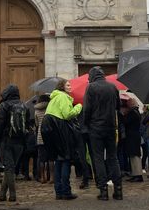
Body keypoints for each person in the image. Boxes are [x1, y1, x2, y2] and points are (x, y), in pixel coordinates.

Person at [82, 66, 123, 201]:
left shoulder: (91, 88)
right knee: (113, 157)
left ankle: (103, 190)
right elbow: (118, 106)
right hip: (111, 127)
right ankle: (118, 190)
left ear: (92, 76)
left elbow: (87, 109)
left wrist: (85, 124)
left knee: (98, 158)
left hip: (96, 128)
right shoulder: (113, 87)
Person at [42, 79, 82, 200]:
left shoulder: (54, 97)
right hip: (59, 127)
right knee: (65, 158)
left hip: (49, 126)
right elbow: (67, 114)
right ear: (62, 87)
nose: (70, 87)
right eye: (68, 85)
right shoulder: (63, 97)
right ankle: (66, 191)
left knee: (58, 159)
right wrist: (79, 107)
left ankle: (58, 191)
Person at [0, 84, 30, 202]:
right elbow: (28, 125)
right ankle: (2, 194)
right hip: (20, 142)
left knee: (9, 168)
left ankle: (12, 195)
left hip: (6, 141)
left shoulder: (4, 106)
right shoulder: (24, 106)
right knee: (11, 168)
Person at [120, 96, 143, 182]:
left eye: (128, 102)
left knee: (135, 156)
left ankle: (138, 175)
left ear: (132, 103)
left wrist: (123, 114)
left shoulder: (133, 113)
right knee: (133, 155)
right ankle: (135, 174)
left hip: (133, 136)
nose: (127, 104)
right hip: (134, 136)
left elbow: (125, 122)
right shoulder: (135, 112)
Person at [34, 94, 50, 183]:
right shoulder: (50, 108)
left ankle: (42, 177)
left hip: (40, 135)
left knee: (41, 158)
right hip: (50, 135)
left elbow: (36, 124)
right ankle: (51, 177)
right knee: (51, 157)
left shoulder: (36, 110)